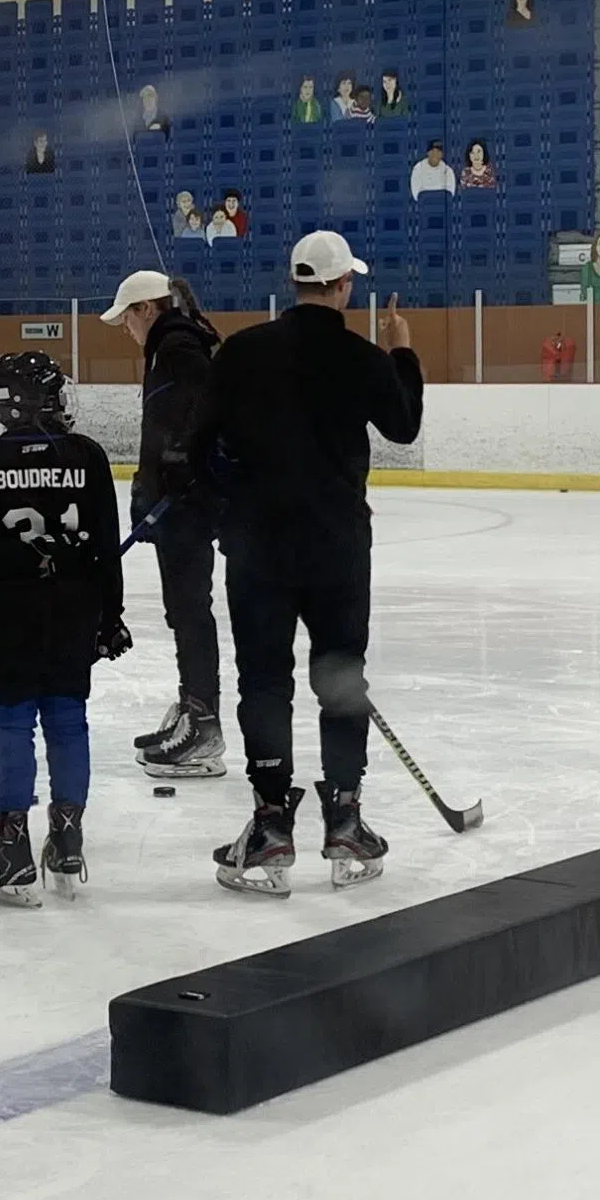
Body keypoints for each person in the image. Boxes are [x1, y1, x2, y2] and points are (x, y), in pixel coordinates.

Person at [207, 229, 423, 893]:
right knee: (340, 676)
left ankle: (271, 822)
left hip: (258, 549)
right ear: (343, 285)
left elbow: (201, 441)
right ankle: (345, 818)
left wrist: (229, 515)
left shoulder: (241, 351)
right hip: (336, 548)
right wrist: (402, 351)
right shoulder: (360, 357)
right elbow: (404, 425)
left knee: (264, 682)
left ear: (295, 282)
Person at [0, 351, 128, 901]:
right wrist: (111, 616)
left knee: (9, 725)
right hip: (73, 612)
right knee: (67, 721)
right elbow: (105, 547)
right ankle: (68, 842)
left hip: (6, 614)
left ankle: (13, 850)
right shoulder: (87, 455)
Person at [105, 266, 226, 775]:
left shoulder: (176, 344)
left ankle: (203, 724)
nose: (126, 331)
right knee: (184, 611)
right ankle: (192, 708)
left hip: (186, 509)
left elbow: (202, 412)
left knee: (190, 611)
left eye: (127, 320)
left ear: (146, 309)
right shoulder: (175, 341)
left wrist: (179, 471)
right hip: (178, 505)